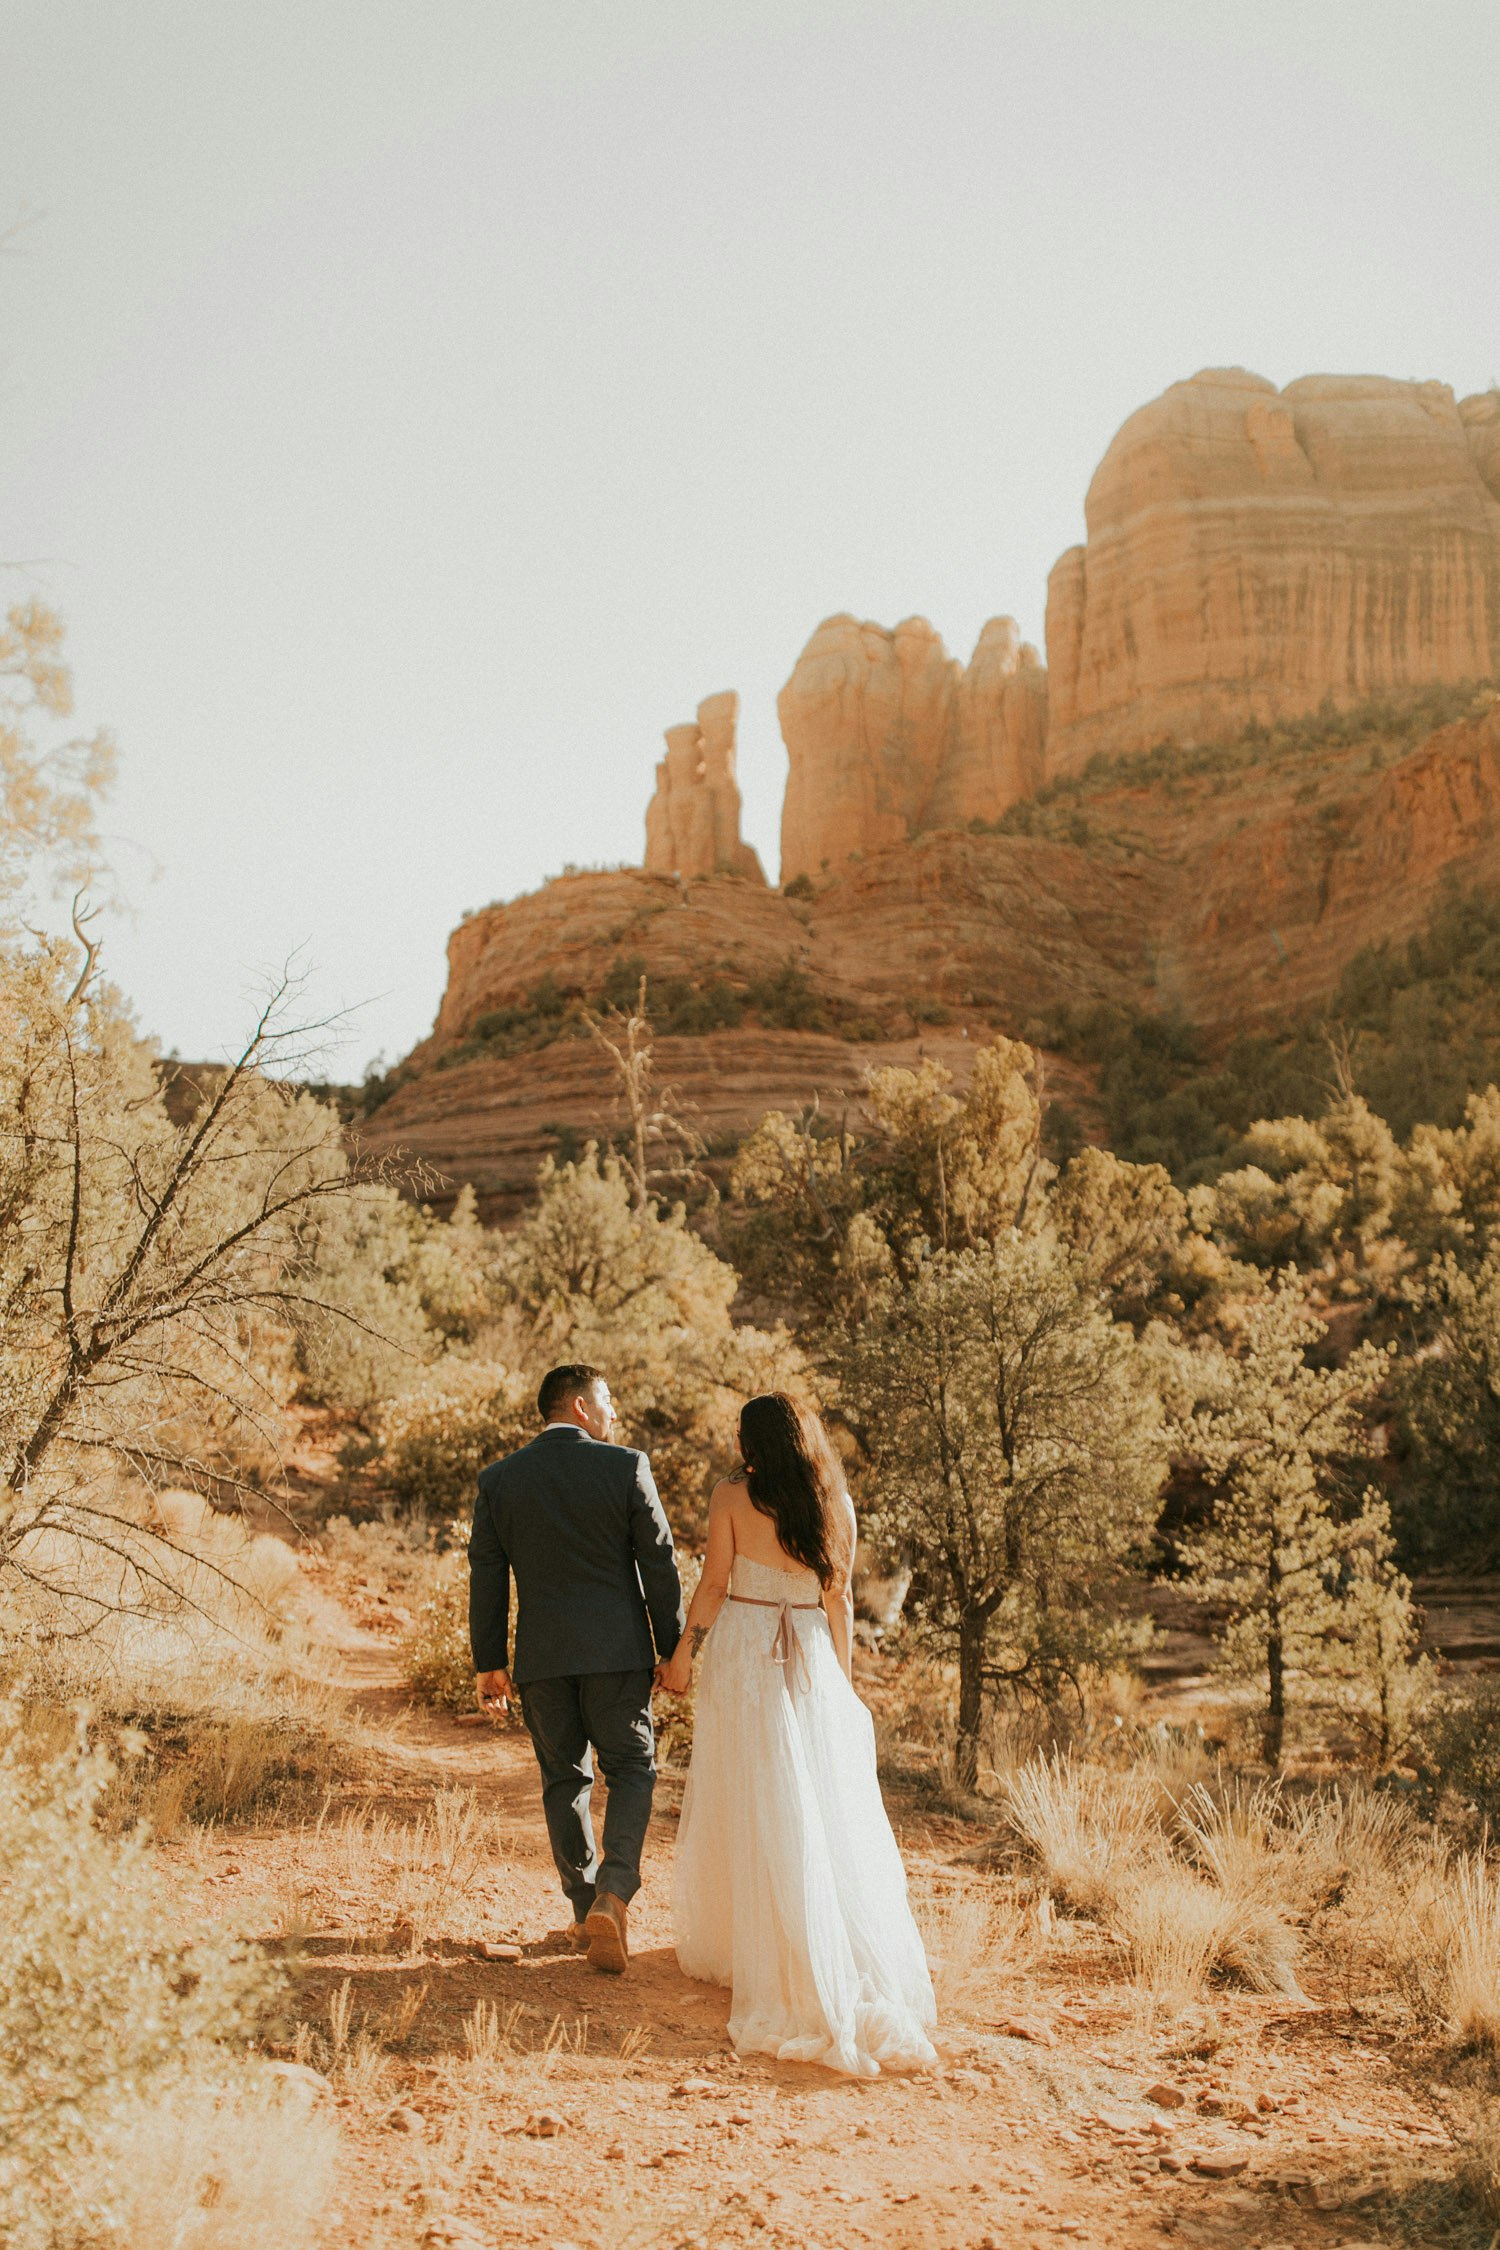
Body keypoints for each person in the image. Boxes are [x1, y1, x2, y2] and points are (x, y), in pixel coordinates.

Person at [661, 1392, 936, 2075]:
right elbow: (837, 1597)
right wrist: (842, 1682)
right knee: (814, 1797)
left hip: (748, 1647)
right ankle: (805, 1934)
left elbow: (716, 1584)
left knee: (752, 1790)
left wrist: (683, 1653)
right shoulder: (834, 1502)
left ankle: (754, 1945)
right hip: (810, 1650)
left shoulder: (732, 1497)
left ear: (752, 1443)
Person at [470, 1363, 685, 1974]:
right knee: (633, 1770)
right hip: (617, 1657)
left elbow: (486, 1573)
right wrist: (671, 1648)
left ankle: (582, 1906)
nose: (615, 1414)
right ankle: (614, 1897)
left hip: (541, 1661)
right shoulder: (626, 1467)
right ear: (582, 1406)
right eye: (609, 1402)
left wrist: (489, 1663)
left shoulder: (500, 1480)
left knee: (565, 1782)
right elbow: (660, 1563)